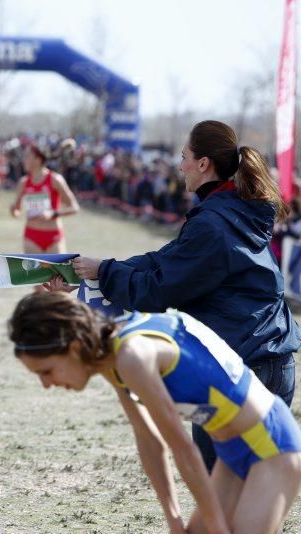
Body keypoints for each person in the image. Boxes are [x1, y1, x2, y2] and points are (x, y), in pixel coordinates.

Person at [71, 120, 301, 472]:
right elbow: (165, 260)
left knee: (226, 491)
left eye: (184, 157)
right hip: (272, 360)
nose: (180, 166)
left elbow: (160, 288)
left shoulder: (213, 222)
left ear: (203, 163)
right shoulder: (231, 211)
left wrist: (105, 273)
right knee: (255, 488)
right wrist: (97, 269)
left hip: (244, 365)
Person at [8, 291, 301, 533]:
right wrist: (173, 519)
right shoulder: (109, 357)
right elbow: (149, 441)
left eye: (46, 371)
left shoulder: (133, 355)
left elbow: (182, 447)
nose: (46, 384)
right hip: (231, 452)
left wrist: (216, 527)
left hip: (272, 444)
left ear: (73, 347)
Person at [10, 143, 79, 253]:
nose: (23, 160)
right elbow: (16, 212)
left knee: (58, 271)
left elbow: (74, 207)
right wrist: (13, 209)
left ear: (38, 159)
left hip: (54, 237)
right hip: (31, 237)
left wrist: (53, 213)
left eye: (27, 156)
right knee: (33, 271)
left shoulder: (55, 180)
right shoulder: (23, 182)